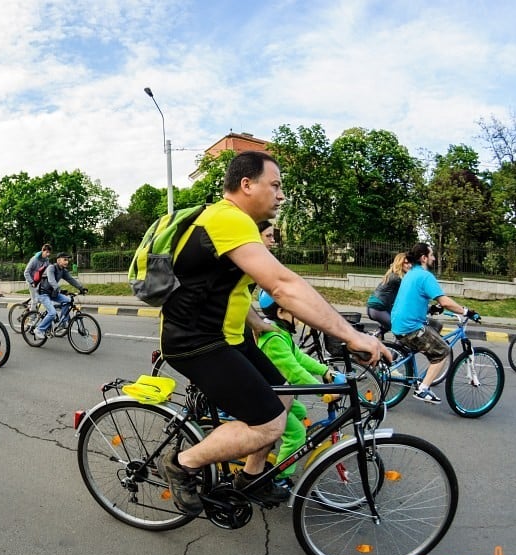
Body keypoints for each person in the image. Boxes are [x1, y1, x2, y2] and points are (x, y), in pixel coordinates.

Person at [154, 150, 385, 515]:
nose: (281, 195)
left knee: (284, 396)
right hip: (195, 342)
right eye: (275, 185)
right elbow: (283, 286)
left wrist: (260, 324)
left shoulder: (231, 223)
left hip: (228, 338)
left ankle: (251, 476)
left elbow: (223, 288)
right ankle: (182, 464)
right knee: (268, 424)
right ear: (247, 185)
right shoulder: (228, 219)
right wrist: (352, 335)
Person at [256, 291, 344, 487]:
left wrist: (325, 371)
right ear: (281, 312)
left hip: (272, 394)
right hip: (263, 397)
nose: (299, 318)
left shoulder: (279, 332)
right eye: (294, 311)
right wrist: (324, 390)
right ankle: (279, 478)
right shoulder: (273, 340)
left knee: (301, 411)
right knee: (296, 435)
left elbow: (300, 357)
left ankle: (269, 446)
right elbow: (295, 371)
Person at [390, 242, 479, 404]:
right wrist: (466, 311)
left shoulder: (411, 273)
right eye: (431, 255)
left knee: (432, 336)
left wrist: (431, 309)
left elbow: (414, 298)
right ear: (424, 258)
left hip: (398, 324)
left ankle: (420, 378)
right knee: (443, 350)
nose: (434, 258)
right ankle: (423, 389)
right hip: (411, 328)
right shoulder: (425, 276)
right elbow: (445, 301)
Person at [33, 252, 87, 339]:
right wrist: (59, 289)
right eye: (65, 259)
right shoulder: (51, 268)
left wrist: (81, 288)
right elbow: (51, 280)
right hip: (43, 293)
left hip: (52, 293)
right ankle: (39, 329)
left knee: (68, 301)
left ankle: (62, 323)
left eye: (68, 260)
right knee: (53, 313)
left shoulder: (63, 271)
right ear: (58, 260)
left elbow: (71, 280)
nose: (67, 261)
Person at [366, 252, 409, 339]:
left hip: (377, 307)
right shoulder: (397, 278)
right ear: (399, 263)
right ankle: (396, 351)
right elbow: (410, 293)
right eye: (406, 263)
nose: (409, 265)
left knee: (388, 327)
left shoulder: (394, 275)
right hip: (378, 309)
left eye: (410, 263)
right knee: (400, 329)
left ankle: (374, 337)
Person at [23, 244, 52, 311]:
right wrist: (32, 282)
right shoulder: (34, 259)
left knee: (43, 297)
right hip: (31, 281)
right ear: (42, 251)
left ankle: (29, 308)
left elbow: (47, 271)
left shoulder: (46, 260)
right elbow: (26, 272)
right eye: (47, 252)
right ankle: (31, 319)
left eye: (49, 252)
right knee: (35, 300)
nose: (48, 254)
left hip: (38, 281)